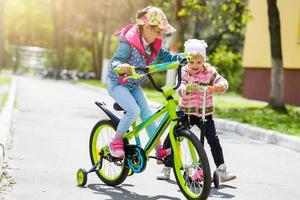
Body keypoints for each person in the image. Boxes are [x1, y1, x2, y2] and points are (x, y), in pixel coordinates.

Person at [107, 6, 182, 161]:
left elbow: (167, 56)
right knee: (134, 111)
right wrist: (120, 67)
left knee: (147, 114)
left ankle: (158, 148)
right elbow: (116, 60)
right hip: (118, 83)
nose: (160, 34)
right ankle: (116, 140)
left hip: (134, 85)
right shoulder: (128, 43)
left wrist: (180, 58)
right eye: (158, 31)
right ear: (147, 27)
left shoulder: (153, 44)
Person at [157, 39, 236, 183]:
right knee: (174, 135)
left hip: (205, 114)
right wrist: (184, 89)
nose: (195, 66)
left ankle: (222, 170)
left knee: (213, 139)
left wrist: (220, 87)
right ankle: (167, 167)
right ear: (187, 61)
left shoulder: (210, 72)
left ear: (203, 61)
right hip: (186, 112)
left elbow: (222, 81)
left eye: (199, 62)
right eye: (191, 62)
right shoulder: (184, 72)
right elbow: (180, 86)